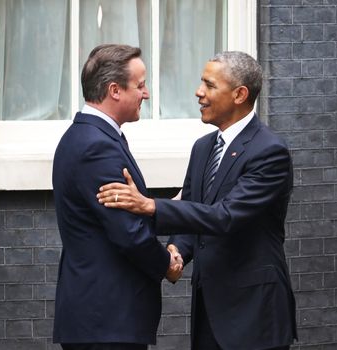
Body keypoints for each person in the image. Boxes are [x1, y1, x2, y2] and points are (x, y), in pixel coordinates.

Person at [97, 51, 297, 350]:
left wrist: (151, 205)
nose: (198, 92)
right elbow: (193, 214)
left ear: (240, 94)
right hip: (209, 311)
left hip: (254, 313)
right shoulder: (203, 148)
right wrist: (175, 252)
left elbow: (225, 216)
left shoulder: (269, 152)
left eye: (209, 85)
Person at [52, 44, 182, 350]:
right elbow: (128, 233)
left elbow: (127, 215)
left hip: (100, 318)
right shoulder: (97, 147)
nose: (146, 94)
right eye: (140, 85)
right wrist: (167, 263)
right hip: (106, 320)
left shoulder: (88, 136)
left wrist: (171, 209)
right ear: (114, 90)